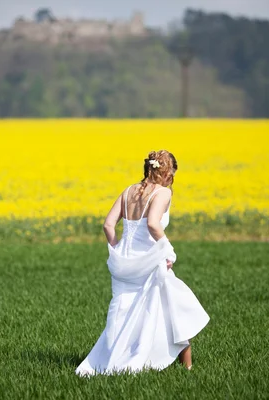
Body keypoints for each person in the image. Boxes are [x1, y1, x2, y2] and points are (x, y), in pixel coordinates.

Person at [76, 150, 209, 376]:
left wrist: (118, 247)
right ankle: (185, 367)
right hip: (149, 260)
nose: (172, 179)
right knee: (171, 309)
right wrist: (169, 251)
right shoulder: (162, 193)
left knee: (123, 312)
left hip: (124, 263)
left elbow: (108, 225)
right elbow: (153, 225)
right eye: (172, 173)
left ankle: (111, 360)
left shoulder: (128, 191)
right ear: (165, 171)